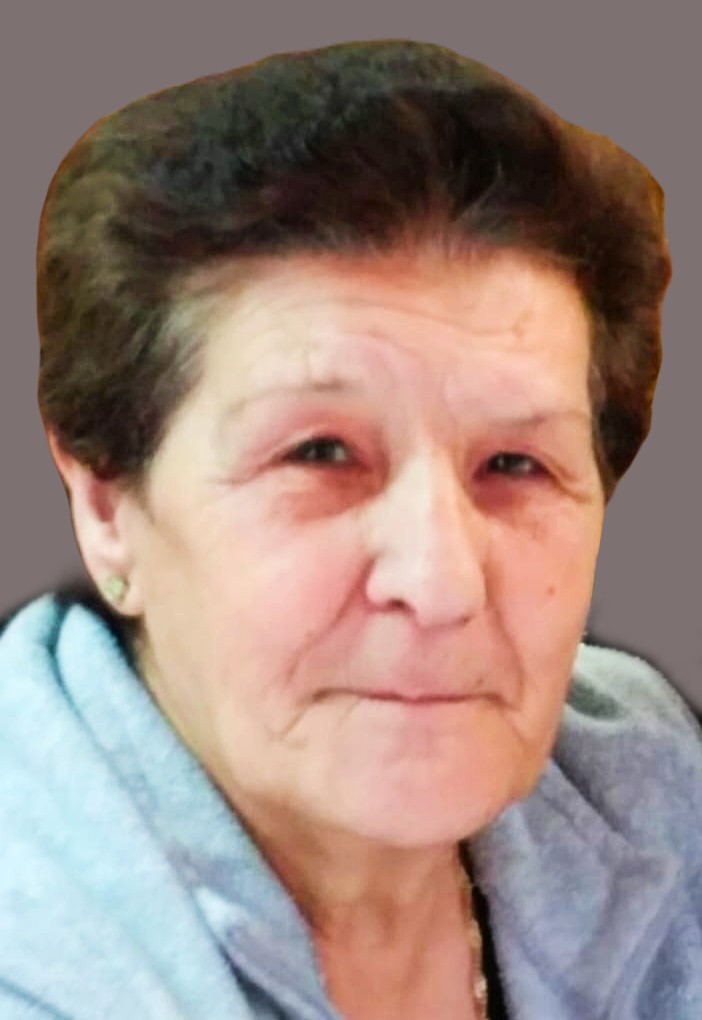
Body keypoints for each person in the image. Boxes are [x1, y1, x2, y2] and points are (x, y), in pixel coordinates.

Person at [1, 38, 700, 1020]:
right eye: (321, 454)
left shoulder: (652, 785)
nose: (443, 582)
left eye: (515, 464)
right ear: (108, 508)